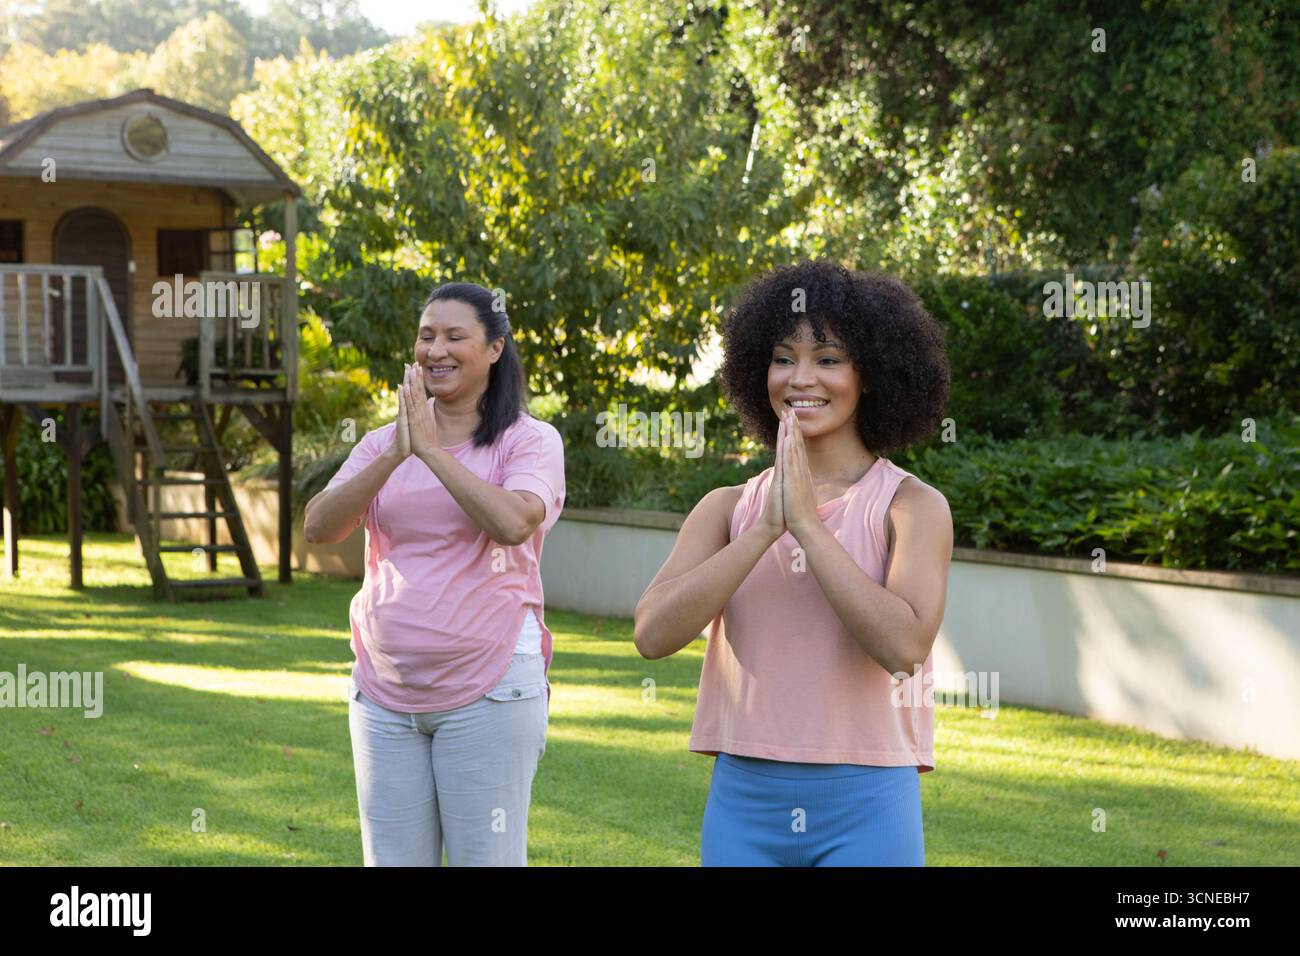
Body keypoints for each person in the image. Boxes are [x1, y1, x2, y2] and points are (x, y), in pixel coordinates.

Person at [634, 259, 953, 867]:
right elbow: (652, 635)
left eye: (828, 359)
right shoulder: (727, 508)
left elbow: (904, 647)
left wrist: (807, 525)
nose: (801, 377)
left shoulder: (911, 507)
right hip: (744, 799)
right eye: (784, 358)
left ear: (872, 375)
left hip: (868, 800)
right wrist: (762, 531)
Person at [304, 281, 565, 867]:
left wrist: (431, 452)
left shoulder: (528, 441)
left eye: (454, 336)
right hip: (383, 692)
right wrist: (398, 453)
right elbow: (319, 526)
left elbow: (512, 522)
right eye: (426, 337)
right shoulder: (381, 445)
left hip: (490, 688)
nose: (435, 350)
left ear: (495, 348)